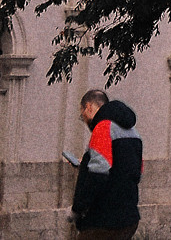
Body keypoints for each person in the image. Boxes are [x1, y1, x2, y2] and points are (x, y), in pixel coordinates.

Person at [72, 88, 142, 237]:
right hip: (129, 217)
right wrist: (86, 163)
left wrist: (78, 209)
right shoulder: (133, 132)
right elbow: (136, 171)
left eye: (82, 113)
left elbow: (97, 175)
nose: (83, 118)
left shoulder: (103, 128)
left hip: (104, 219)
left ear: (89, 107)